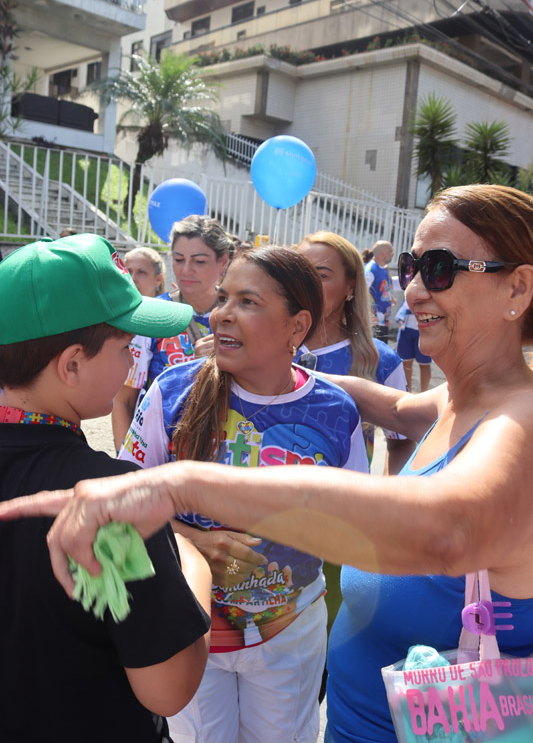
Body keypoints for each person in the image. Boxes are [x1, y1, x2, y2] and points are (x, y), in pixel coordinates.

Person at [3, 184, 533, 743]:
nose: (415, 289)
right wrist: (278, 370)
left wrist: (181, 485)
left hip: (410, 708)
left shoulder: (518, 420)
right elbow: (396, 407)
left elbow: (451, 531)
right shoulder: (455, 399)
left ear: (518, 287)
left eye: (441, 268)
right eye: (411, 266)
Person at [119, 245, 368, 743]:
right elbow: (124, 502)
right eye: (223, 298)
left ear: (297, 326)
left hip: (289, 631)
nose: (222, 315)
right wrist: (195, 541)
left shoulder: (335, 411)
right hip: (190, 625)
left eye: (248, 302)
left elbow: (356, 521)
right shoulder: (171, 392)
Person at [0, 234, 211, 743]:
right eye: (125, 348)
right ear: (72, 364)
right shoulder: (109, 498)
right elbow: (168, 688)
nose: (132, 365)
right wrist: (193, 561)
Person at [297, 231, 412, 473]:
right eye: (300, 274)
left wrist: (388, 492)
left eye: (321, 276)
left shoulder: (382, 361)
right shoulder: (265, 348)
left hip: (343, 496)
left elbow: (402, 442)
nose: (307, 286)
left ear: (350, 285)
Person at [149, 214, 234, 377]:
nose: (186, 271)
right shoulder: (151, 315)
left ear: (223, 261)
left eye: (199, 261)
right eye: (179, 259)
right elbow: (125, 392)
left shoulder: (239, 316)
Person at [111, 246, 166, 450]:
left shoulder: (168, 316)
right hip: (145, 440)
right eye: (128, 271)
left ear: (158, 279)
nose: (132, 278)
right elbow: (123, 400)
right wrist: (124, 455)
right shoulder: (125, 322)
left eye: (141, 272)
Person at [395, 298, 432, 392]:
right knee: (406, 363)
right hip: (405, 328)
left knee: (424, 364)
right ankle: (408, 392)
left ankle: (424, 394)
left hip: (423, 328)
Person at [362, 239, 395, 342]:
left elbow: (380, 289)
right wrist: (370, 313)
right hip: (374, 323)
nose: (393, 254)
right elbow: (361, 292)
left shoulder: (383, 269)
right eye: (390, 251)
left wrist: (390, 297)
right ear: (382, 254)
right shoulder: (370, 270)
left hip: (383, 321)